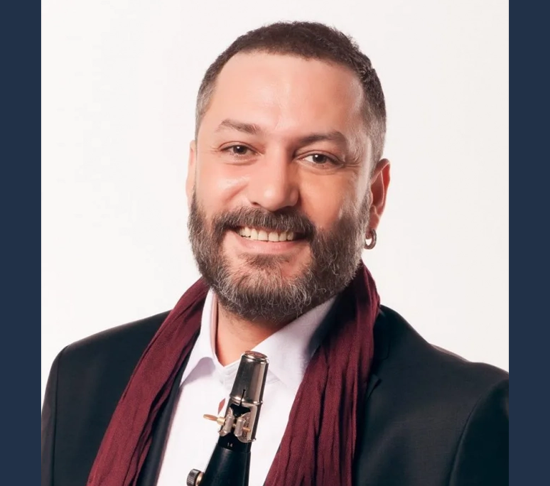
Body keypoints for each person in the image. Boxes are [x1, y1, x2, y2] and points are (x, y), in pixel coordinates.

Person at [41, 21, 508, 486]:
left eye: (318, 157)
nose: (272, 193)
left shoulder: (461, 420)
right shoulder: (83, 380)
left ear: (375, 198)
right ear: (193, 172)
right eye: (239, 148)